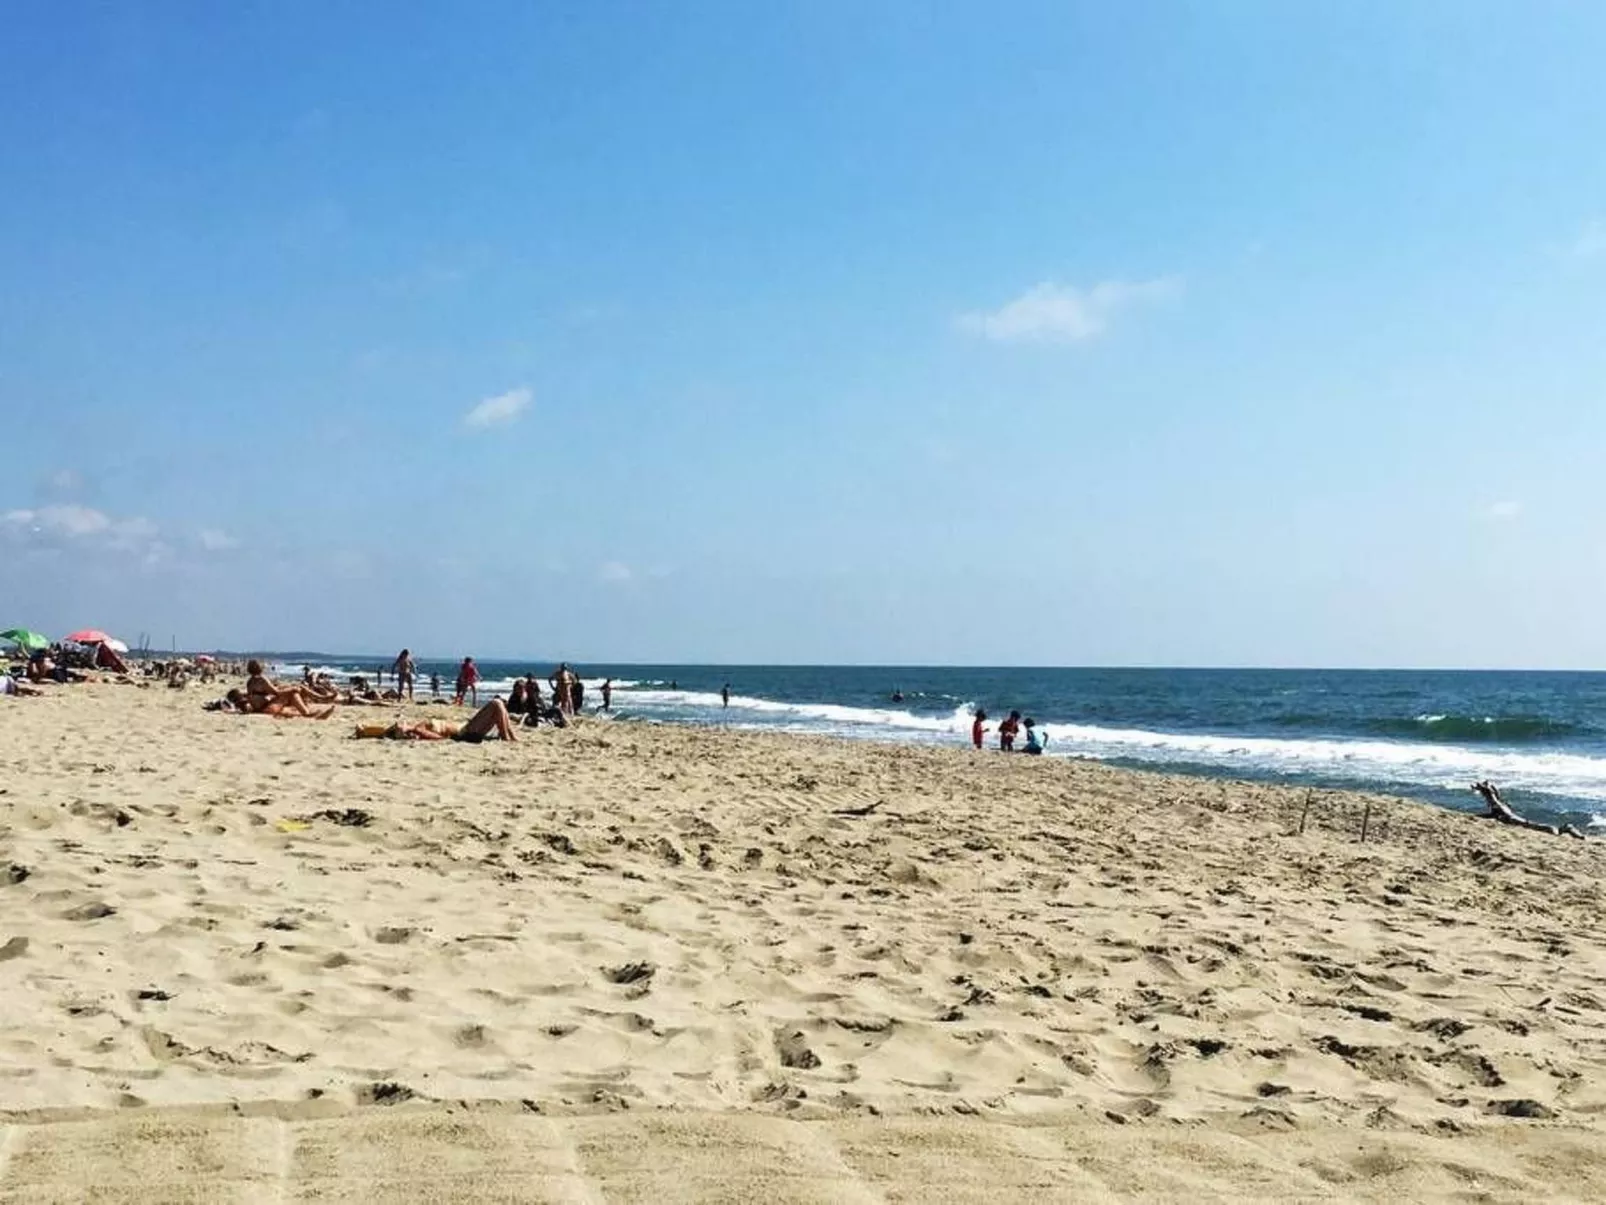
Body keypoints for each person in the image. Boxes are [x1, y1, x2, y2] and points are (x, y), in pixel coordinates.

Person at [362, 698, 518, 742]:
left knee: (499, 704)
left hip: (467, 727)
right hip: (466, 732)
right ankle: (507, 736)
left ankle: (510, 735)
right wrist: (412, 730)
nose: (401, 723)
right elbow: (440, 738)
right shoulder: (418, 729)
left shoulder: (418, 727)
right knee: (496, 703)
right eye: (399, 726)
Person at [1472, 780, 1585, 839]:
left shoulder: (1501, 809)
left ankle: (1573, 832)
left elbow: (1493, 803)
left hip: (1544, 829)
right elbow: (1490, 813)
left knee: (1558, 832)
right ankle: (1572, 831)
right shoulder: (1500, 810)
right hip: (1540, 826)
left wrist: (1487, 791)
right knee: (1560, 830)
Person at [243, 660, 337, 718]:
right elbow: (276, 692)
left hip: (261, 708)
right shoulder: (261, 679)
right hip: (266, 708)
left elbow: (266, 692)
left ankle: (320, 699)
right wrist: (291, 689)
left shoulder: (250, 681)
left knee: (297, 687)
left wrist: (290, 687)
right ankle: (308, 712)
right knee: (293, 693)